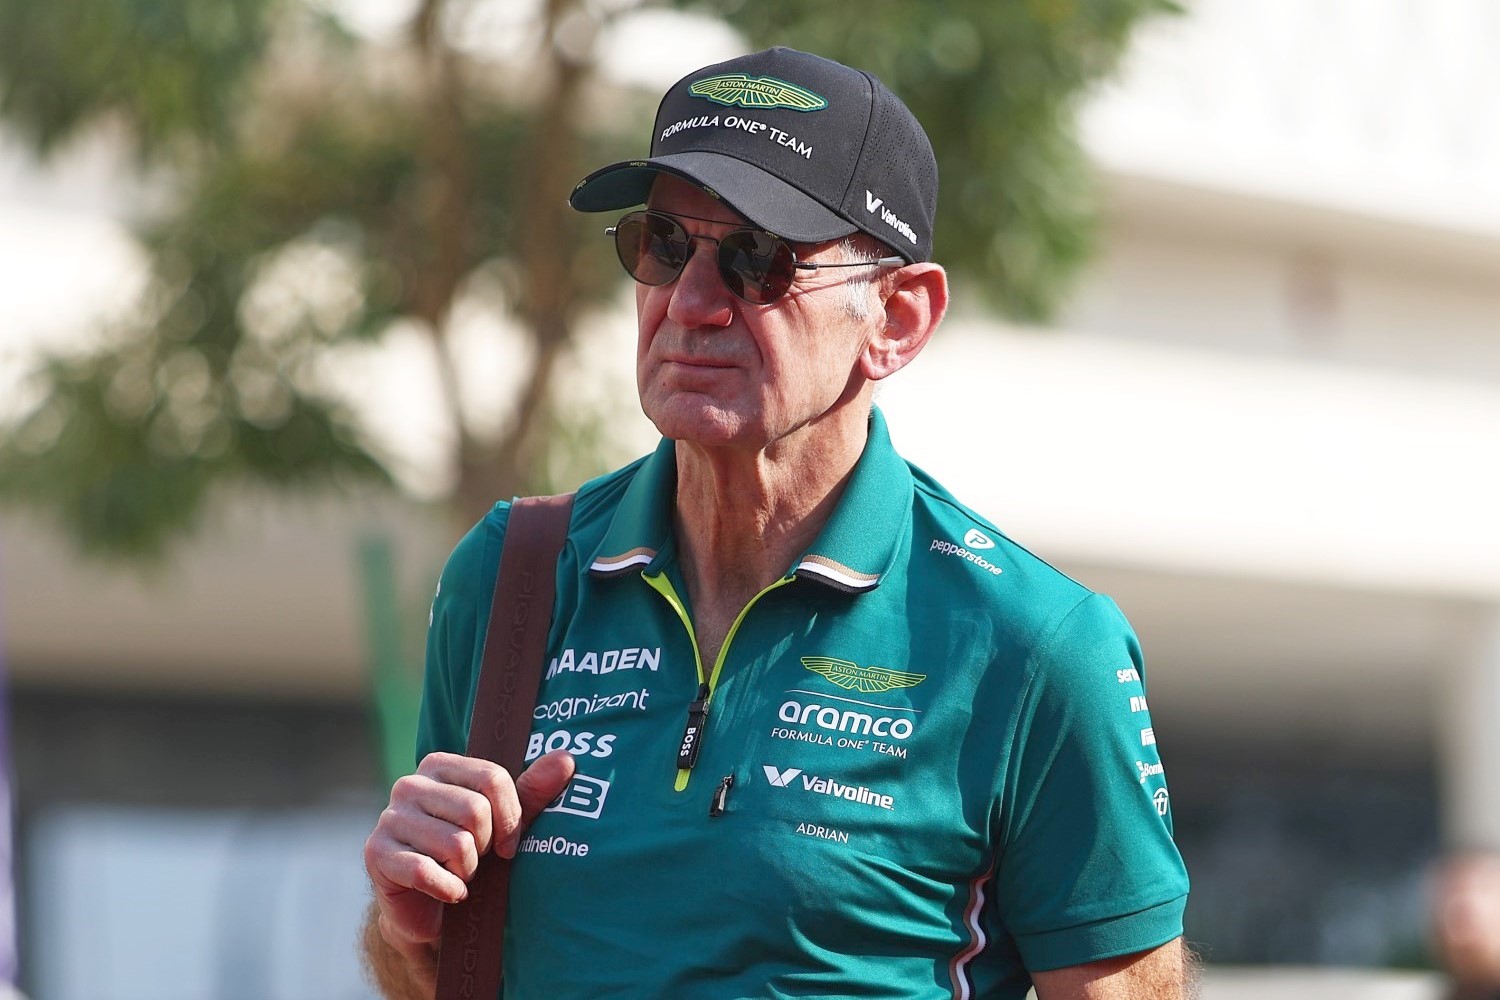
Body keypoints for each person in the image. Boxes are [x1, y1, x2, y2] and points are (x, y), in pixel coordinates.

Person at [362, 46, 1192, 999]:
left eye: (758, 261)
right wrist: (404, 922)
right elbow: (430, 972)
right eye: (662, 245)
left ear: (899, 318)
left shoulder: (1037, 646)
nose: (690, 302)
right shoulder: (512, 573)